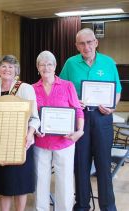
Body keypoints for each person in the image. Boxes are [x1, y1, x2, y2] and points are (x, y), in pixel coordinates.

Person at [60, 28, 122, 211]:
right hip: (80, 119)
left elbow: (117, 90)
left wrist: (112, 106)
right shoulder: (70, 64)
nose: (86, 46)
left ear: (96, 42)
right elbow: (62, 89)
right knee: (80, 166)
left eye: (89, 42)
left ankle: (108, 207)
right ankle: (81, 206)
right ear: (76, 46)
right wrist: (73, 101)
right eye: (82, 43)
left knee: (104, 165)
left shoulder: (108, 63)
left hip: (103, 119)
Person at [0, 55, 40, 211]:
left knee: (20, 183)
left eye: (11, 67)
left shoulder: (25, 88)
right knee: (3, 184)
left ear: (16, 70)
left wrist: (30, 134)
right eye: (3, 66)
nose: (7, 69)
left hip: (21, 143)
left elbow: (35, 118)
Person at [32, 51, 84, 211]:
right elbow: (29, 115)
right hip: (41, 142)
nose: (46, 67)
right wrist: (33, 130)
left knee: (65, 181)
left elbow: (78, 110)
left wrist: (79, 130)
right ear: (38, 67)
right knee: (40, 180)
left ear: (55, 67)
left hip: (65, 141)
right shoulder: (32, 89)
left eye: (49, 64)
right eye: (42, 64)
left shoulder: (68, 86)